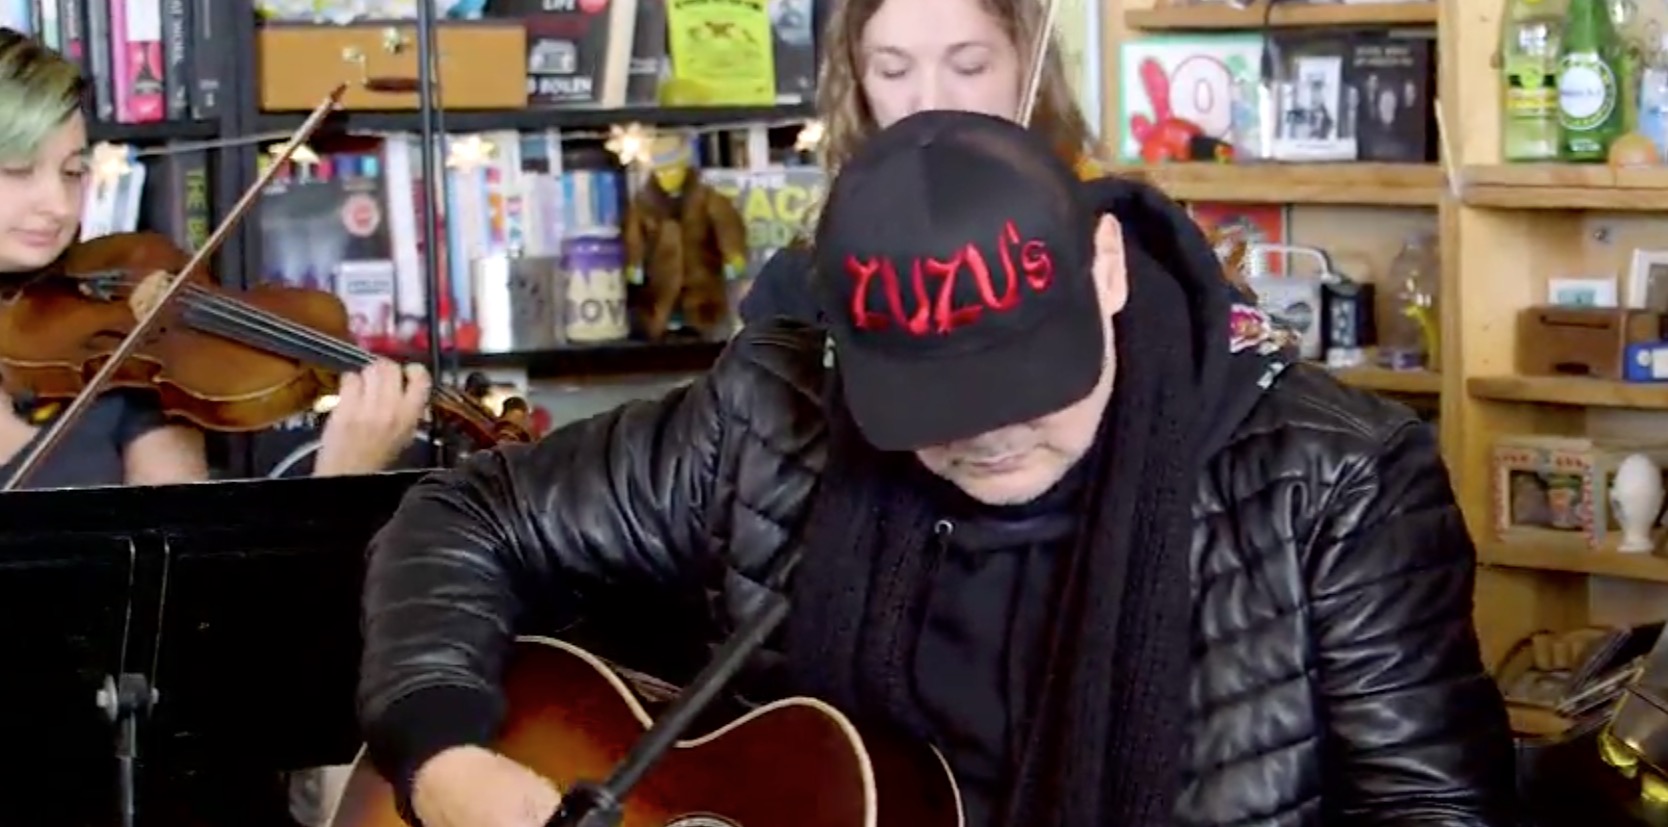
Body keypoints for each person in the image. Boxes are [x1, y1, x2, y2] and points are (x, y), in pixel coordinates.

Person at [357, 111, 1517, 827]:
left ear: (1105, 268)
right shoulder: (772, 411)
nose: (989, 434)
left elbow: (1434, 810)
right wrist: (443, 756)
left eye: (1024, 381)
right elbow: (466, 514)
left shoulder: (1336, 481)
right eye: (936, 406)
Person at [0, 29, 427, 487]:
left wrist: (341, 478)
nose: (59, 206)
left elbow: (183, 534)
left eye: (73, 172)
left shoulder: (126, 369)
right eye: (18, 170)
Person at [739, 0, 1099, 326]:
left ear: (1030, 71)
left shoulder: (1108, 241)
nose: (930, 103)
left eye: (969, 67)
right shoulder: (803, 282)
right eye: (893, 71)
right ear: (858, 86)